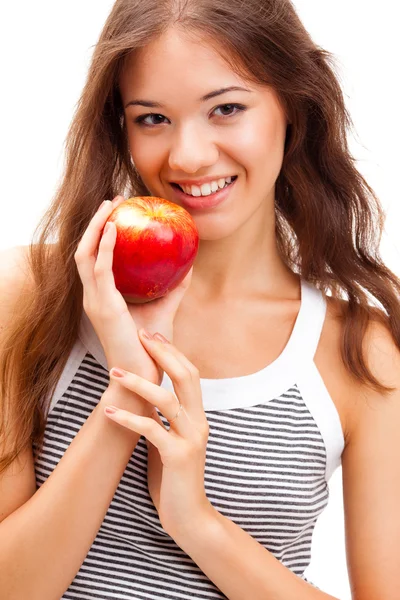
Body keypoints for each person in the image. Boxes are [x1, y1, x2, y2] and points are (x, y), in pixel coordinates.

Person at [0, 0, 399, 598]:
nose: (188, 156)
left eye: (227, 108)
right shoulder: (37, 293)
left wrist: (197, 521)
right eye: (152, 118)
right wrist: (129, 390)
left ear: (294, 107)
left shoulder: (357, 352)